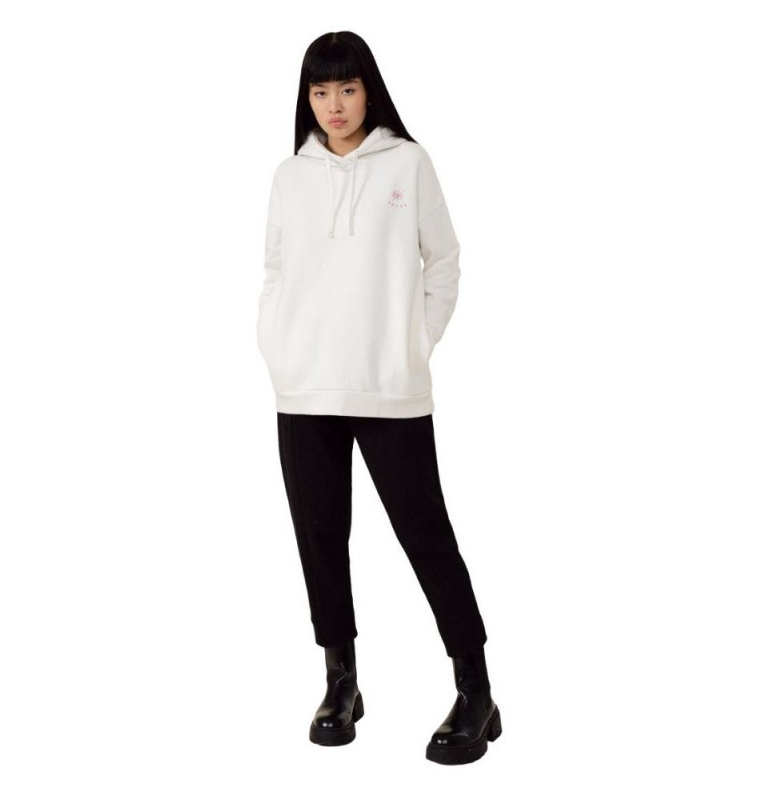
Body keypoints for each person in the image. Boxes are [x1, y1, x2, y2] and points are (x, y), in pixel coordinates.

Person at [255, 30, 502, 766]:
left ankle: (476, 688)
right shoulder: (289, 176)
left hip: (390, 388)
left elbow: (444, 262)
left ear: (370, 90)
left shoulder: (408, 163)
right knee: (320, 538)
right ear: (306, 98)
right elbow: (275, 272)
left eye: (348, 88)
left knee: (426, 536)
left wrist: (413, 345)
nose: (334, 105)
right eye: (320, 91)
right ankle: (341, 682)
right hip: (304, 389)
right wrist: (278, 349)